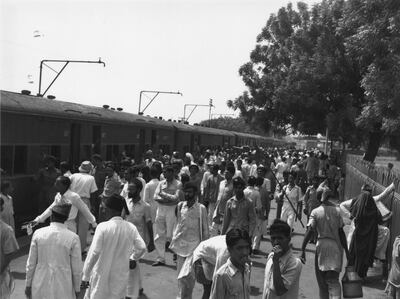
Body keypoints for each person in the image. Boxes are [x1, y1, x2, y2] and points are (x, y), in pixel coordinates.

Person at [81, 193, 146, 299]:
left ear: (111, 210)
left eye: (104, 208)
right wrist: (133, 258)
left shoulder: (102, 227)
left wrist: (86, 275)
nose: (103, 210)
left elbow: (95, 252)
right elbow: (142, 247)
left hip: (101, 273)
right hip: (120, 275)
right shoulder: (131, 227)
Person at [25, 204, 82, 299]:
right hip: (63, 286)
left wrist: (28, 284)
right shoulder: (73, 238)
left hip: (40, 284)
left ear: (51, 216)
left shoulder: (38, 234)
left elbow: (31, 264)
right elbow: (77, 269)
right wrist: (77, 290)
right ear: (67, 218)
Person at [340, 183, 395, 279]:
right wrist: (392, 186)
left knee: (355, 255)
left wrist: (350, 216)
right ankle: (362, 275)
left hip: (356, 235)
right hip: (369, 237)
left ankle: (352, 276)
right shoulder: (372, 203)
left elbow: (342, 205)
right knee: (366, 255)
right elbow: (383, 197)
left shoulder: (357, 201)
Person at [301, 190, 349, 299]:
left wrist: (302, 249)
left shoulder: (315, 212)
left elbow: (309, 231)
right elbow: (341, 233)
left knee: (322, 283)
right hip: (336, 247)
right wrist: (347, 251)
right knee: (333, 280)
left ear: (319, 199)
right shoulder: (337, 211)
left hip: (321, 246)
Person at [170, 182, 209, 299]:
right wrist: (173, 243)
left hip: (194, 249)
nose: (187, 194)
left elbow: (205, 230)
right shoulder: (180, 206)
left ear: (195, 193)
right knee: (180, 277)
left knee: (189, 278)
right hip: (181, 247)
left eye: (190, 192)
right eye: (185, 191)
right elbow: (177, 225)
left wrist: (204, 251)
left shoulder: (201, 209)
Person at [32, 176, 97, 242]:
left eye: (58, 183)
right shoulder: (58, 195)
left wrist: (93, 223)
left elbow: (84, 209)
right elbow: (51, 209)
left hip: (69, 225)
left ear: (65, 186)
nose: (55, 184)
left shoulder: (74, 196)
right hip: (57, 224)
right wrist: (38, 220)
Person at [124, 179, 155, 299]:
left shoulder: (145, 206)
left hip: (137, 240)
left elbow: (149, 224)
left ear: (138, 190)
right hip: (126, 238)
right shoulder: (126, 202)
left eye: (131, 189)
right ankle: (139, 287)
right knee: (133, 263)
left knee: (131, 263)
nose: (128, 191)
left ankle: (130, 293)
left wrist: (151, 241)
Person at [263, 219, 302, 299]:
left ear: (288, 239)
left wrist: (276, 261)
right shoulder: (271, 256)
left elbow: (279, 290)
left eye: (280, 238)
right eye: (273, 238)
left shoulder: (294, 263)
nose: (276, 242)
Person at [210, 228, 252, 299]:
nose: (245, 252)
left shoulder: (247, 269)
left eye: (247, 247)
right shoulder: (222, 275)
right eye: (239, 248)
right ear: (229, 249)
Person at [153, 165, 182, 266]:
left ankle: (177, 256)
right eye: (164, 172)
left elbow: (176, 198)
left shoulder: (178, 184)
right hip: (161, 209)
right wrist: (166, 199)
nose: (164, 174)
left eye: (166, 172)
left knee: (172, 234)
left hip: (172, 209)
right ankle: (161, 258)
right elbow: (155, 196)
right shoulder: (161, 183)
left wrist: (163, 195)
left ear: (172, 173)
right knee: (159, 234)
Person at [70, 161, 98, 252]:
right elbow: (93, 192)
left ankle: (70, 247)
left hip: (72, 200)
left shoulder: (73, 176)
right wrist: (93, 205)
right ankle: (80, 249)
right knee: (83, 226)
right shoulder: (91, 178)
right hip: (84, 201)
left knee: (71, 223)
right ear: (90, 170)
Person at [191, 235, 230, 299]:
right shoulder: (224, 252)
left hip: (211, 255)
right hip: (202, 256)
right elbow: (218, 276)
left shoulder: (237, 244)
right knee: (210, 290)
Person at [0, 196, 19, 299]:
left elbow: (9, 254)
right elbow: (10, 253)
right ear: (2, 208)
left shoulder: (6, 230)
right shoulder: (6, 229)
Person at [210, 165, 235, 236]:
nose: (225, 174)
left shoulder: (233, 185)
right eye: (225, 173)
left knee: (223, 230)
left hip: (226, 210)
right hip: (217, 209)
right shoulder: (221, 183)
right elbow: (218, 195)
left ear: (232, 174)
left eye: (228, 173)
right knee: (213, 228)